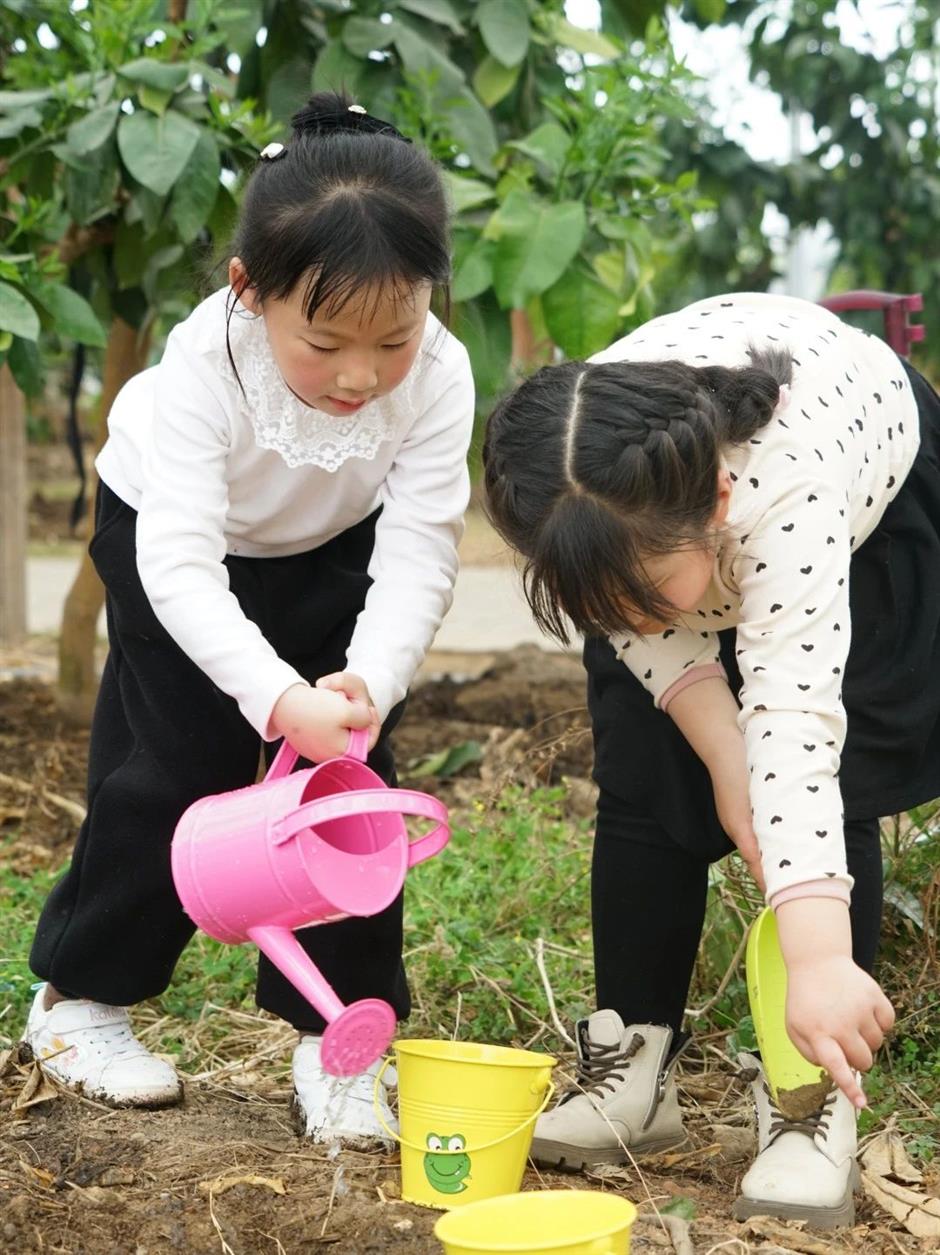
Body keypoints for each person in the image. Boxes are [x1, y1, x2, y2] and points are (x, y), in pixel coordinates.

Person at [22, 92, 474, 1146]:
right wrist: (272, 696)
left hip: (329, 547)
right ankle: (80, 1000)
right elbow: (176, 561)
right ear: (249, 291)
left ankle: (337, 1037)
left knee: (349, 790)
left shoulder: (439, 373)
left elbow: (419, 547)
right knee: (175, 767)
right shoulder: (201, 367)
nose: (361, 374)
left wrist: (367, 684)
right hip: (170, 540)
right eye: (324, 344)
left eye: (393, 338)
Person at [483, 290, 940, 1228]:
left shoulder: (788, 489)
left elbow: (796, 720)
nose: (625, 614)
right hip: (642, 524)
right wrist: (721, 750)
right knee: (645, 779)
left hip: (866, 486)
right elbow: (633, 618)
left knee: (827, 783)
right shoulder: (571, 483)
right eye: (588, 596)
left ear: (718, 504)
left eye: (648, 589)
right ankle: (634, 1071)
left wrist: (814, 953)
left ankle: (812, 1091)